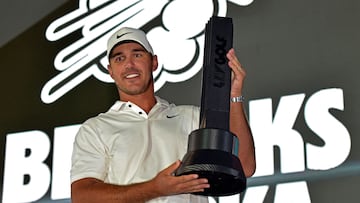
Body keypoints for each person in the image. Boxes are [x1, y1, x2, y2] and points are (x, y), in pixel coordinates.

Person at [70, 27, 256, 203]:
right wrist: (154, 188)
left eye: (137, 54)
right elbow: (82, 196)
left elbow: (245, 166)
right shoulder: (96, 128)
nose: (129, 64)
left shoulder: (191, 117)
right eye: (119, 59)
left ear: (154, 62)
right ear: (110, 71)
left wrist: (233, 97)